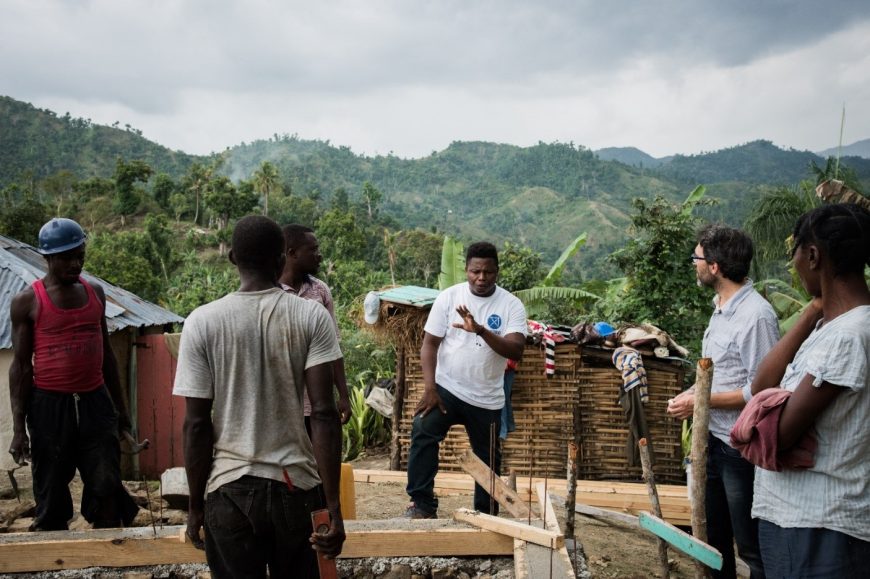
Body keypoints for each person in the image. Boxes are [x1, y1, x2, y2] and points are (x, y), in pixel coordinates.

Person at [173, 215, 345, 578]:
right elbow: (325, 415)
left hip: (229, 491)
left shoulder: (202, 322)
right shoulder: (311, 316)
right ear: (281, 259)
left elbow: (196, 425)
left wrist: (194, 506)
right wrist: (333, 508)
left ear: (233, 257)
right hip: (296, 488)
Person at [748, 203, 869, 576]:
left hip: (821, 526)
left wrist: (760, 417)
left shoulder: (850, 335)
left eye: (796, 253)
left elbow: (779, 435)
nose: (796, 264)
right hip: (796, 520)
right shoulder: (830, 328)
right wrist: (812, 311)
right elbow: (761, 386)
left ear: (813, 255)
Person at [8, 217, 139, 530]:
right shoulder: (27, 302)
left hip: (96, 403)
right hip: (49, 408)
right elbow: (22, 367)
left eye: (80, 255)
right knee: (51, 487)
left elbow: (106, 355)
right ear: (48, 258)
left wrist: (121, 415)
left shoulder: (95, 293)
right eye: (67, 257)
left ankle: (110, 558)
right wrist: (17, 428)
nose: (76, 263)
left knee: (107, 483)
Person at [667, 224, 778, 579]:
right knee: (713, 540)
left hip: (739, 449)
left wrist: (703, 401)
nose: (694, 264)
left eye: (697, 258)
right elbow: (719, 374)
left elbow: (760, 393)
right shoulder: (721, 307)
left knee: (749, 545)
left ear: (714, 266)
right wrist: (694, 396)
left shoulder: (756, 316)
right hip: (712, 441)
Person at [405, 242, 527, 518]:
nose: (481, 278)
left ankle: (484, 514)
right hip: (447, 389)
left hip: (487, 397)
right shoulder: (448, 297)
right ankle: (421, 504)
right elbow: (429, 344)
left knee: (488, 457)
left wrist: (481, 330)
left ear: (497, 272)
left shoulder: (511, 306)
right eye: (475, 272)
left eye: (488, 272)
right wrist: (430, 388)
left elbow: (516, 349)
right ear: (466, 270)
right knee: (423, 430)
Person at [280, 224, 352, 430]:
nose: (319, 256)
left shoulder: (320, 290)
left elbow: (334, 348)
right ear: (292, 253)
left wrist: (344, 396)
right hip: (281, 406)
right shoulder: (270, 292)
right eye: (312, 250)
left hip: (317, 404)